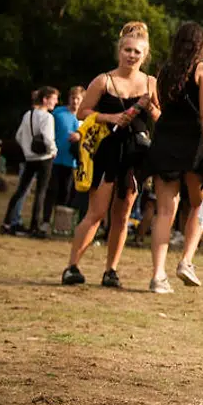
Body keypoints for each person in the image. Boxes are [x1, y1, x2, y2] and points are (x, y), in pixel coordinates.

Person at [63, 22, 160, 288]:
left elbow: (160, 118)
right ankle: (72, 267)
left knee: (123, 214)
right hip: (106, 152)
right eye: (127, 50)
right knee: (96, 212)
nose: (131, 55)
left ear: (145, 54)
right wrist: (109, 117)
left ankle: (111, 270)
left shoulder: (151, 83)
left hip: (135, 154)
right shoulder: (104, 80)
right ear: (119, 51)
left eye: (137, 52)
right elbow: (83, 112)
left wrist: (151, 108)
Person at [144, 22, 203, 293]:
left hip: (165, 140)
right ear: (201, 45)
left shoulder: (164, 72)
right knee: (200, 206)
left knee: (165, 211)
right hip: (194, 146)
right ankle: (186, 261)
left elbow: (163, 108)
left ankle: (157, 277)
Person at [1, 87, 59, 236]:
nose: (56, 102)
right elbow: (48, 138)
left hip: (29, 158)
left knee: (21, 190)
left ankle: (7, 221)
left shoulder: (28, 114)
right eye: (54, 98)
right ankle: (35, 225)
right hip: (44, 158)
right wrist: (53, 151)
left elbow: (19, 136)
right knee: (41, 192)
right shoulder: (47, 117)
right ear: (45, 100)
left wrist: (28, 149)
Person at [43, 86, 85, 226]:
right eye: (73, 98)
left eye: (78, 98)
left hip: (73, 162)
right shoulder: (58, 112)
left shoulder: (85, 118)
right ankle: (46, 220)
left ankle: (60, 223)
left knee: (66, 194)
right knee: (51, 190)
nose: (75, 101)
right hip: (54, 158)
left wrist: (80, 137)